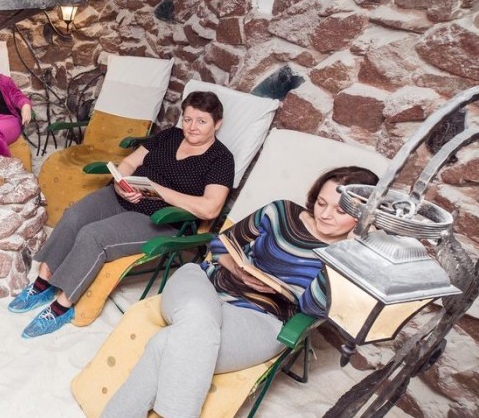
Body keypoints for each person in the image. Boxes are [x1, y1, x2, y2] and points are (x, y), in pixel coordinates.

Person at [101, 166, 380, 417]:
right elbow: (221, 244)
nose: (326, 214)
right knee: (197, 322)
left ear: (362, 218)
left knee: (167, 345)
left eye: (341, 211)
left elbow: (312, 308)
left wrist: (344, 254)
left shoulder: (349, 257)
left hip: (261, 319)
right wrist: (237, 269)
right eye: (321, 202)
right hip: (204, 283)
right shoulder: (280, 212)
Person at [9, 91, 235, 339]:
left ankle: (62, 306)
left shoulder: (221, 160)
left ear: (217, 123)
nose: (192, 127)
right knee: (74, 216)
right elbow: (128, 163)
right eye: (188, 119)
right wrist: (121, 184)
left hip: (160, 218)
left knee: (93, 236)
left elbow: (210, 208)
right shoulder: (170, 135)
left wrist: (158, 190)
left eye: (201, 121)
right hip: (125, 195)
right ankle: (43, 283)